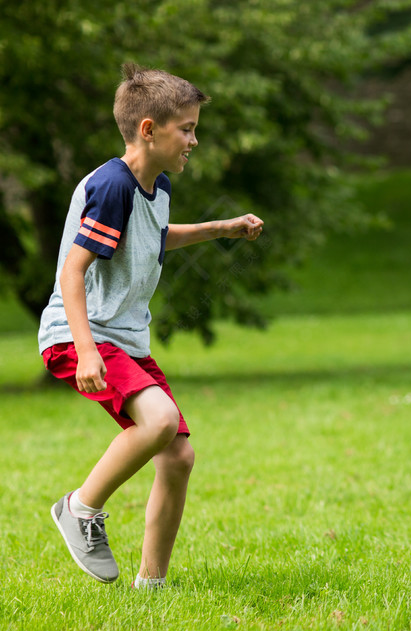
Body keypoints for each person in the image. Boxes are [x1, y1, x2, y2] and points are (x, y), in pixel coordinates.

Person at [39, 63, 265, 588]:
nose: (194, 139)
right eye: (186, 128)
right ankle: (79, 507)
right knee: (160, 422)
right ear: (148, 129)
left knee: (179, 455)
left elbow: (151, 237)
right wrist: (87, 350)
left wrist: (220, 229)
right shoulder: (112, 185)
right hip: (83, 336)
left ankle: (152, 584)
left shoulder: (155, 185)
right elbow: (73, 273)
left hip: (123, 341)